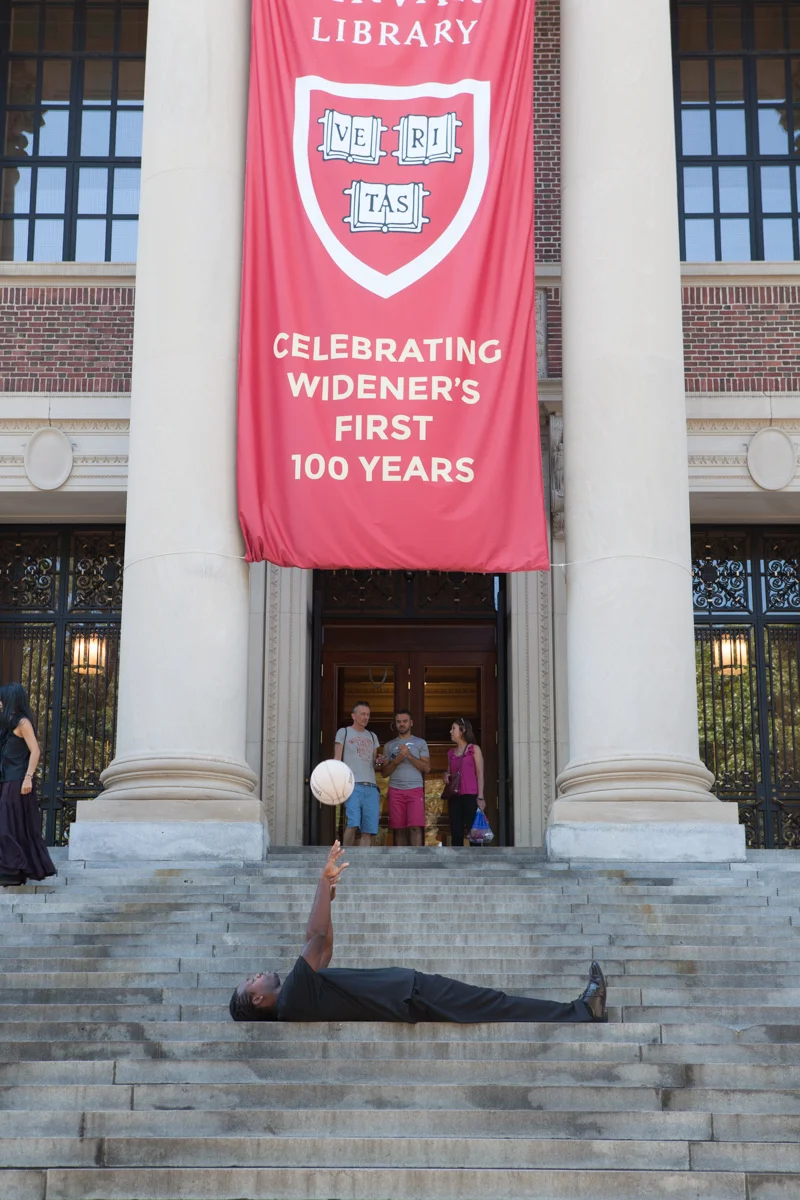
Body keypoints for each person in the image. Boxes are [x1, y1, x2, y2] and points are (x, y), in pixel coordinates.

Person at [229, 842, 607, 1024]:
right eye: (252, 982)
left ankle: (577, 1011)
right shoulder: (292, 997)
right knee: (495, 1003)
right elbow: (313, 937)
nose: (258, 975)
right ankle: (581, 1012)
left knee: (493, 1002)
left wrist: (328, 895)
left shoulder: (300, 994)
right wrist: (321, 880)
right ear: (258, 1001)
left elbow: (324, 949)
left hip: (408, 993)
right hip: (409, 996)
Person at [0, 684, 56, 887]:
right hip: (7, 780)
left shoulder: (23, 723)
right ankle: (12, 872)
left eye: (1, 699)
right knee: (11, 826)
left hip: (18, 782)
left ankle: (13, 870)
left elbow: (36, 751)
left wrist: (28, 777)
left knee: (8, 826)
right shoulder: (7, 725)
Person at [334, 701, 383, 848]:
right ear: (353, 716)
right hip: (353, 785)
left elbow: (374, 764)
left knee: (369, 829)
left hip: (371, 786)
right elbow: (336, 759)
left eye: (368, 714)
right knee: (353, 823)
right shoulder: (344, 732)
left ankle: (364, 860)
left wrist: (379, 761)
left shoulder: (372, 736)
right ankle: (344, 855)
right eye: (362, 714)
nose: (365, 717)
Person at [381, 709, 430, 847]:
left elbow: (427, 768)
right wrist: (396, 761)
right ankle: (400, 864)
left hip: (415, 790)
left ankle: (417, 863)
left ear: (411, 723)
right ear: (395, 724)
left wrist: (408, 755)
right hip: (395, 790)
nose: (401, 724)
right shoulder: (389, 745)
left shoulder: (420, 743)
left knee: (415, 827)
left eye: (404, 721)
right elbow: (384, 773)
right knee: (398, 829)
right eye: (398, 722)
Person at [445, 717, 485, 847]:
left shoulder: (474, 749)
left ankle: (475, 863)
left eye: (454, 728)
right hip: (455, 797)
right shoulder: (451, 753)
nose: (451, 731)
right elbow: (449, 773)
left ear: (462, 731)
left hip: (471, 796)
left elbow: (480, 774)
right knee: (456, 832)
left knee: (474, 833)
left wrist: (480, 797)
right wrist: (446, 776)